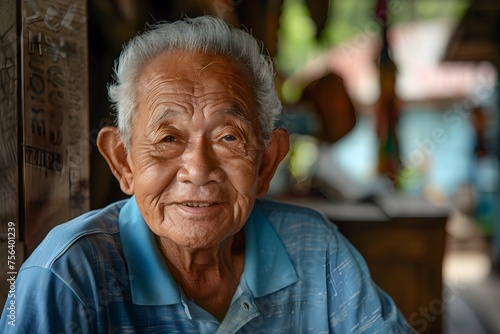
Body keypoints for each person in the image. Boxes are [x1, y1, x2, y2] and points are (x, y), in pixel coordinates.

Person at [1, 16, 415, 333]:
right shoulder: (67, 276)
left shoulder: (314, 250)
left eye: (229, 137)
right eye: (167, 138)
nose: (198, 169)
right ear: (123, 162)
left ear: (267, 163)